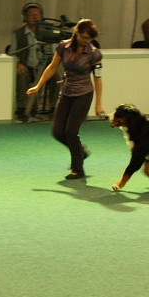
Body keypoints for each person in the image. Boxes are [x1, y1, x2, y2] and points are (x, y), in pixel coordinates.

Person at [27, 18, 104, 180]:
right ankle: (80, 152)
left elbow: (98, 79)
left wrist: (98, 104)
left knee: (71, 132)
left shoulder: (94, 53)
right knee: (57, 132)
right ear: (76, 33)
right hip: (66, 92)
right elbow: (52, 67)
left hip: (83, 94)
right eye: (84, 37)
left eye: (89, 39)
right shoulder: (63, 47)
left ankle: (78, 169)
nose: (87, 41)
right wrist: (38, 86)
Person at [9, 2, 47, 121]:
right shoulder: (18, 34)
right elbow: (11, 53)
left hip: (43, 66)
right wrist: (17, 63)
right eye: (31, 15)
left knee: (57, 76)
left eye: (37, 14)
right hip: (26, 66)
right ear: (24, 17)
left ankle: (52, 109)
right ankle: (22, 109)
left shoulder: (47, 32)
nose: (35, 17)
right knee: (22, 75)